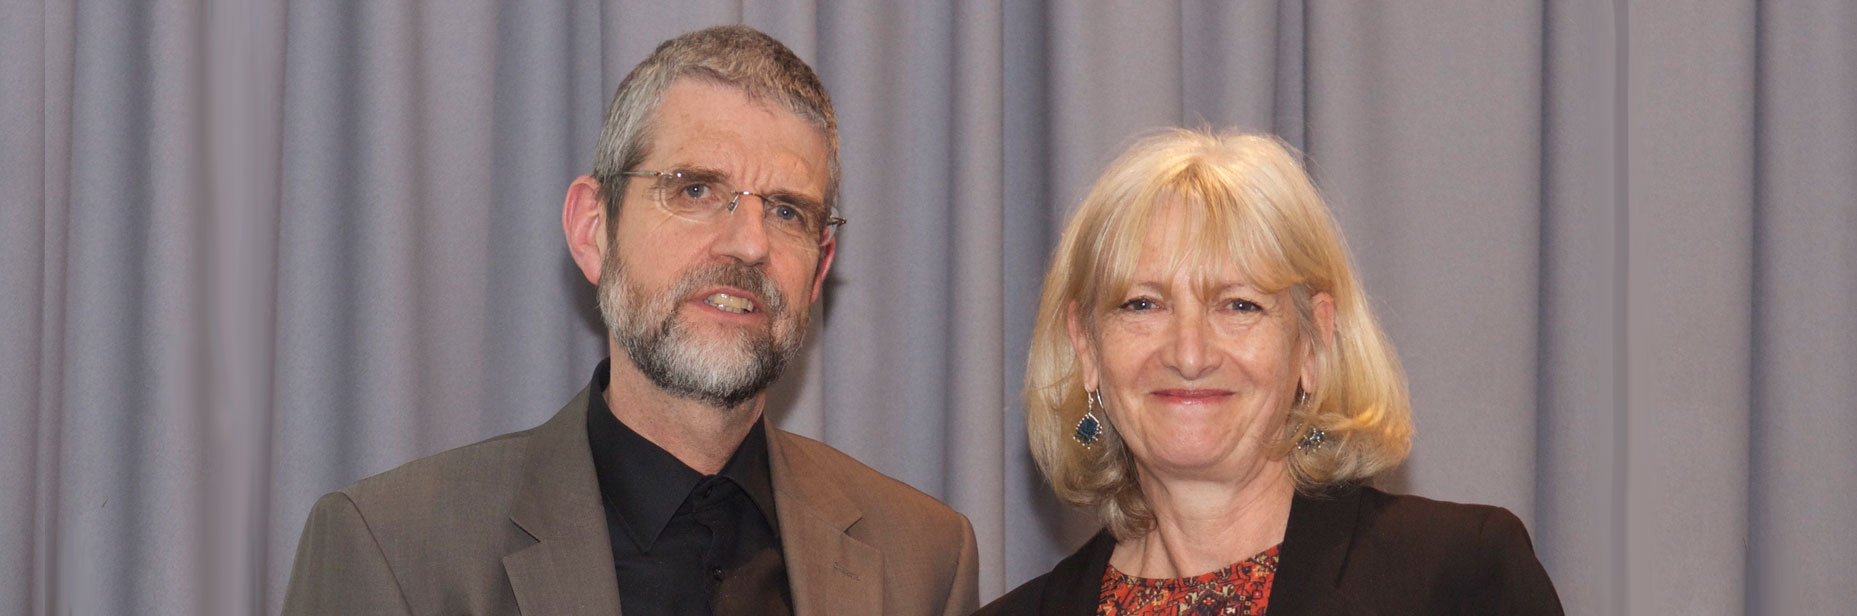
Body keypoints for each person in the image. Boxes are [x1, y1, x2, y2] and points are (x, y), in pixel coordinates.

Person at [283, 26, 978, 616]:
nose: (748, 242)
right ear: (593, 230)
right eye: (696, 189)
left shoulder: (921, 560)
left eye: (787, 210)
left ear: (820, 268)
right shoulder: (393, 551)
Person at [976, 129, 1562, 615]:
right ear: (1086, 347)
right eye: (1142, 305)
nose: (1189, 353)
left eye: (1238, 305)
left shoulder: (1459, 579)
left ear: (1312, 341)